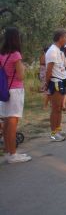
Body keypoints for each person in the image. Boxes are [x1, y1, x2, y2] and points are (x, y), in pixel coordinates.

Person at [0, 27, 32, 163]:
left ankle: (8, 152)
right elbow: (21, 76)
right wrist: (23, 67)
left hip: (4, 91)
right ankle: (13, 154)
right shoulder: (16, 55)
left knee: (7, 122)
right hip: (15, 91)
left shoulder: (2, 54)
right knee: (13, 123)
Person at [45, 29, 66, 142]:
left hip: (61, 81)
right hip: (55, 83)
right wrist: (46, 84)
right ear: (60, 38)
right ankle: (54, 133)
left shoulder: (59, 51)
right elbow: (49, 71)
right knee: (55, 109)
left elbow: (63, 66)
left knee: (59, 108)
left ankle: (58, 130)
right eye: (65, 37)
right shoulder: (52, 51)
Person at [39, 45, 50, 110]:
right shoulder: (46, 56)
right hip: (45, 73)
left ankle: (47, 104)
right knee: (47, 90)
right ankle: (45, 105)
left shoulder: (41, 56)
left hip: (42, 73)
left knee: (46, 89)